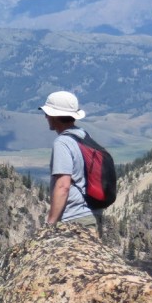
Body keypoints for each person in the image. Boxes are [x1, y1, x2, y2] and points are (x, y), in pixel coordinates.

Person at [41, 90, 100, 231]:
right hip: (92, 215)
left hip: (74, 219)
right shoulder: (84, 136)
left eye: (47, 113)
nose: (45, 116)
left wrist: (50, 224)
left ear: (54, 116)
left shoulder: (63, 142)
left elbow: (63, 186)